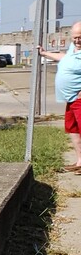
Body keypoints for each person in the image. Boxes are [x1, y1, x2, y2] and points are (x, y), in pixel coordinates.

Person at [42, 22, 81, 173]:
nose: (77, 41)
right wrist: (45, 54)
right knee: (73, 129)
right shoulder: (74, 49)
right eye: (75, 38)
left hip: (79, 99)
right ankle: (79, 161)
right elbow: (64, 58)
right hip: (70, 99)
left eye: (80, 38)